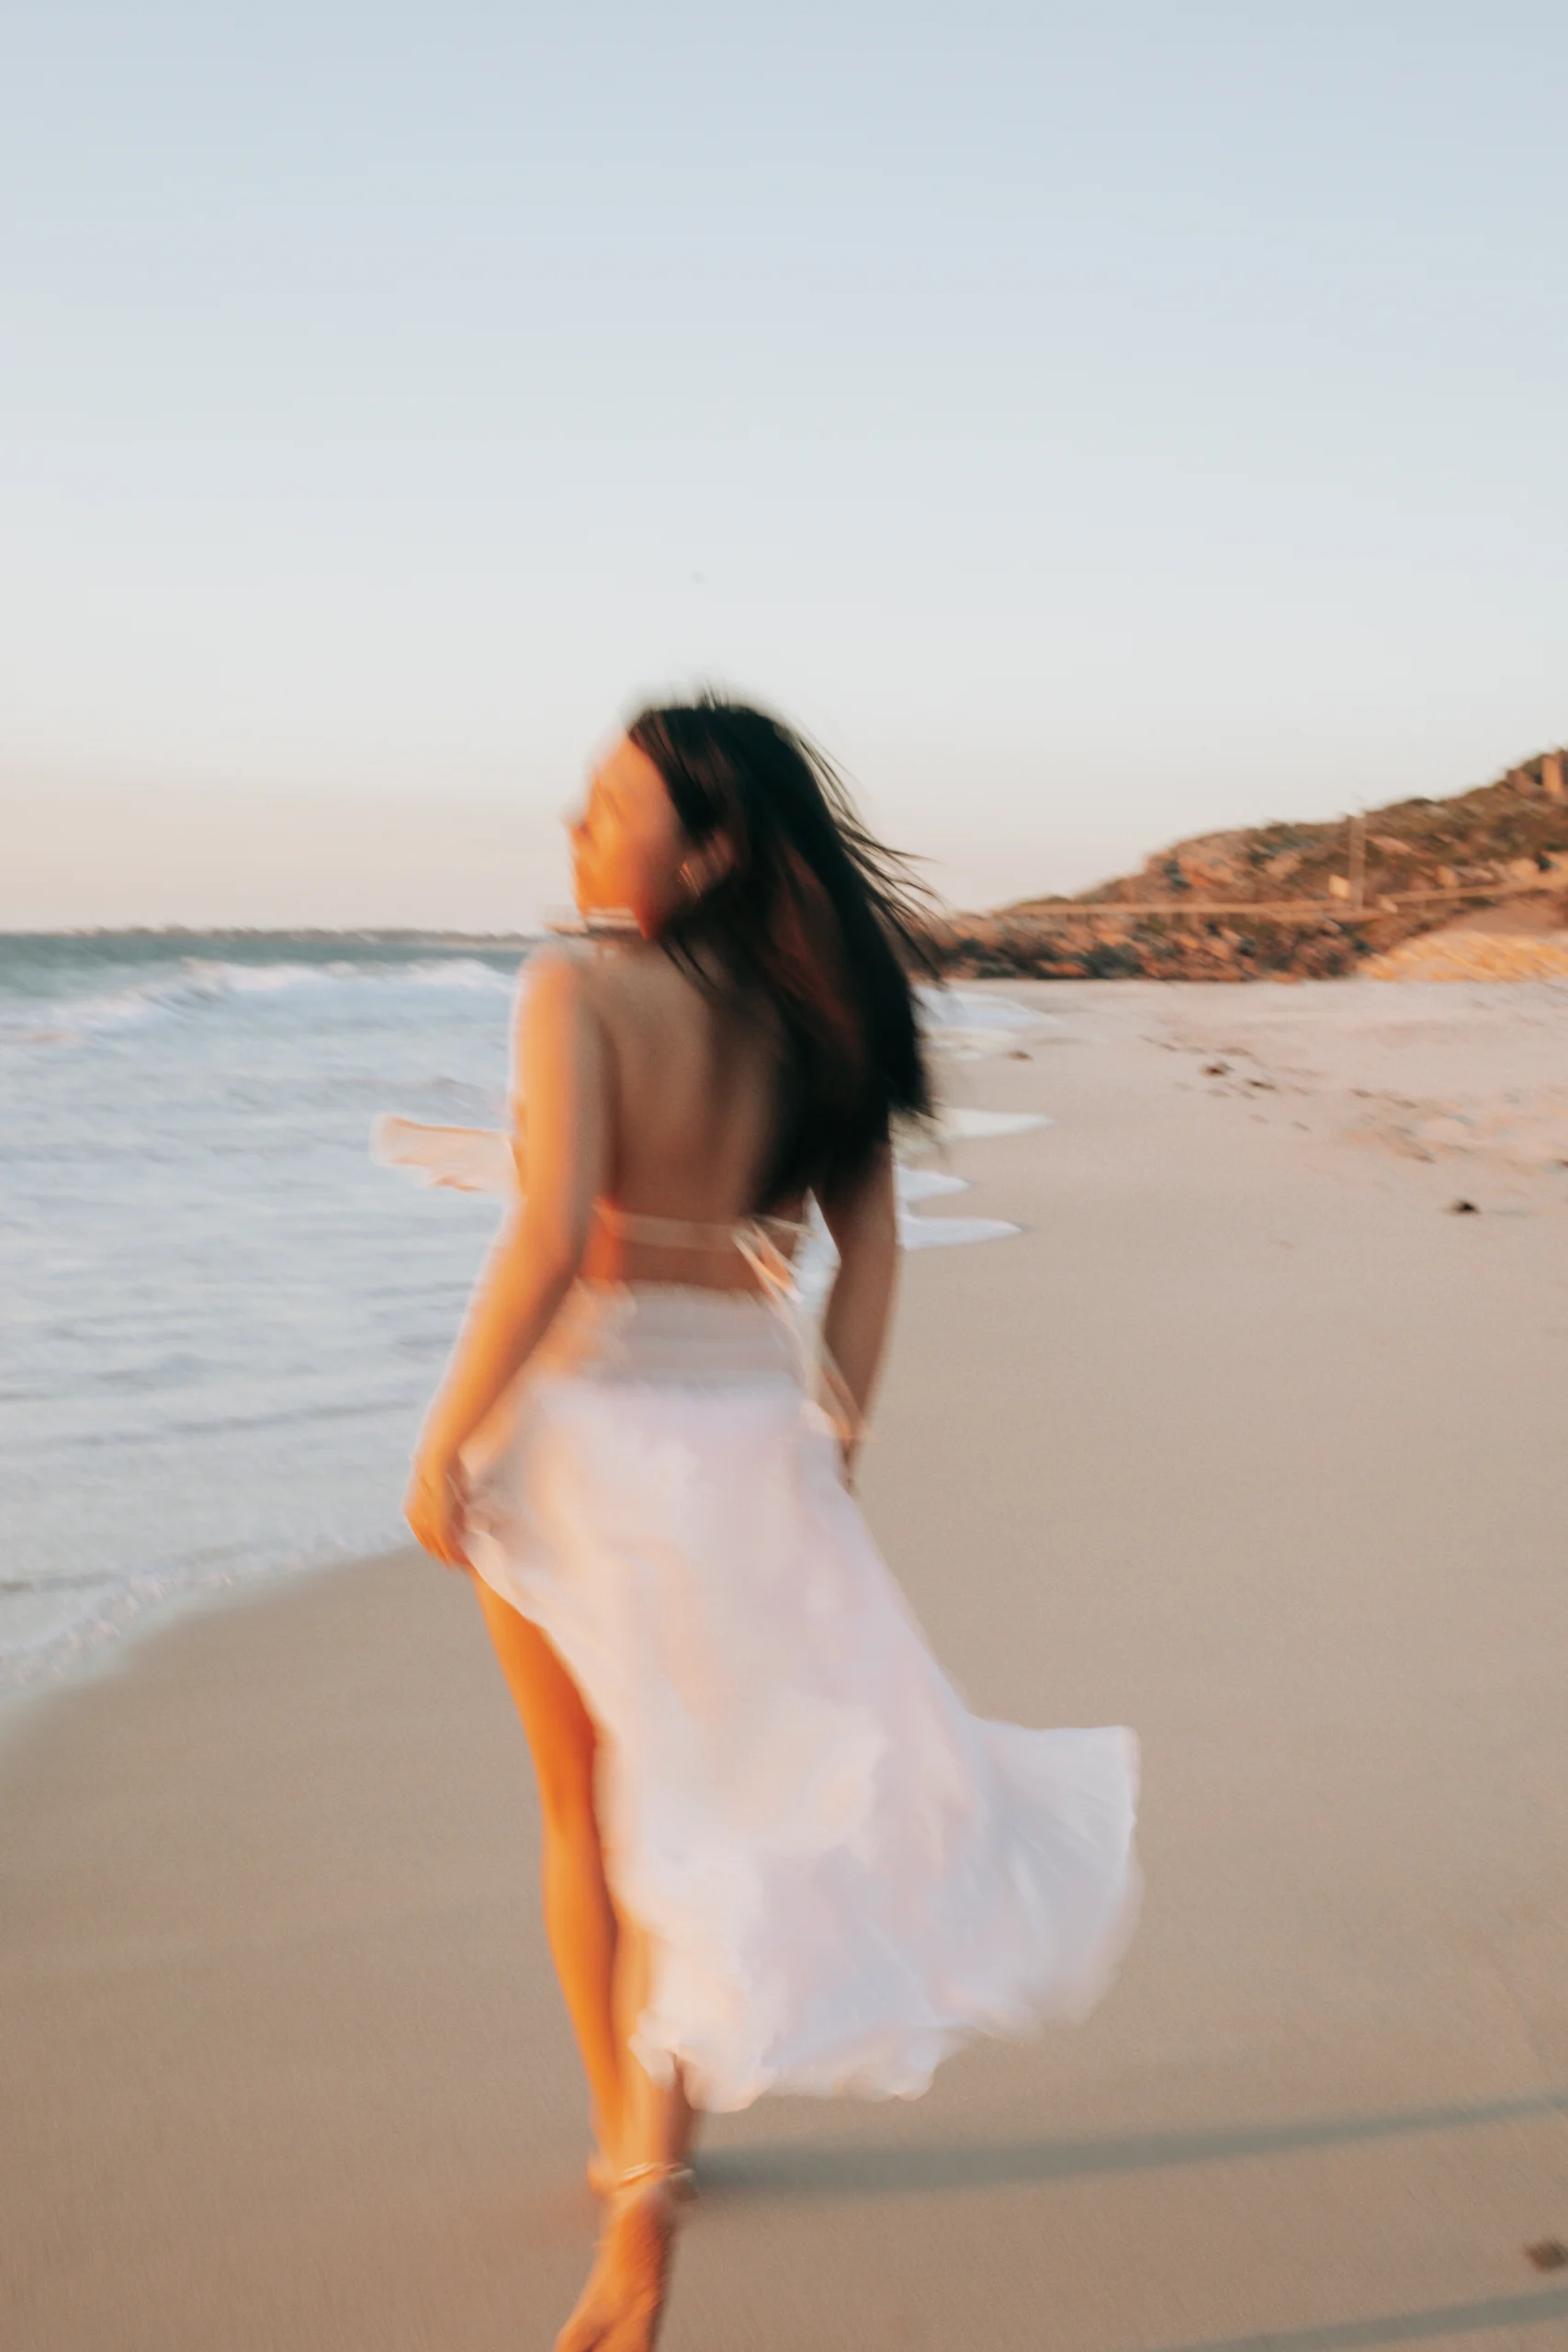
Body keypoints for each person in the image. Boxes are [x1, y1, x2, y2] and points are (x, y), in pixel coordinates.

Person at [404, 696, 1138, 2352]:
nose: (578, 832)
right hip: (741, 1424)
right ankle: (664, 2137)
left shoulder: (574, 987)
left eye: (609, 807)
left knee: (586, 1804)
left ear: (709, 844)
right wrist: (831, 1438)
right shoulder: (830, 1016)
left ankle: (631, 2174)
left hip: (578, 1425)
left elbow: (543, 1236)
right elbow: (868, 1258)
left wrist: (446, 1438)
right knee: (701, 1786)